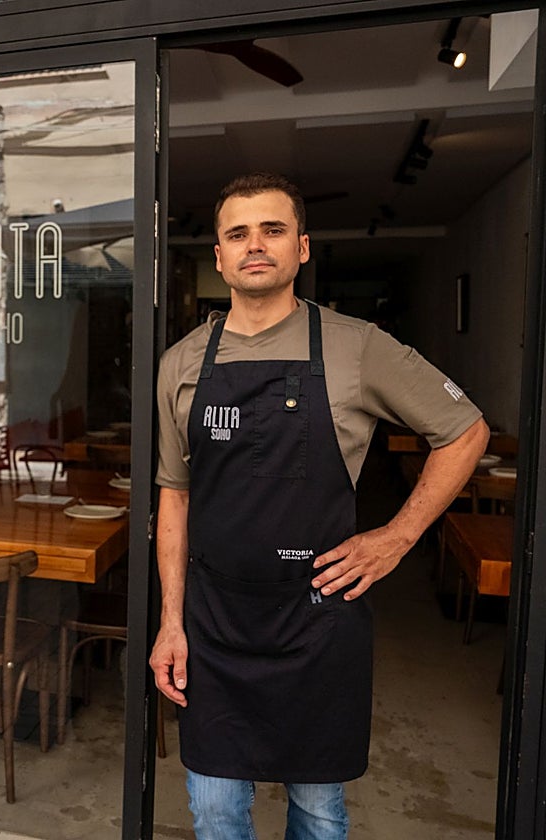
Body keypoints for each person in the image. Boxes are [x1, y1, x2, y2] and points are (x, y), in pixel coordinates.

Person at [149, 173, 489, 839]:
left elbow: (465, 430)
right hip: (215, 623)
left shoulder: (355, 346)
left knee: (319, 812)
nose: (255, 245)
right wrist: (170, 622)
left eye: (272, 230)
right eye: (237, 234)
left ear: (301, 248)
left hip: (317, 622)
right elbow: (175, 497)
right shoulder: (182, 362)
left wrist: (397, 536)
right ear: (217, 256)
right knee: (215, 813)